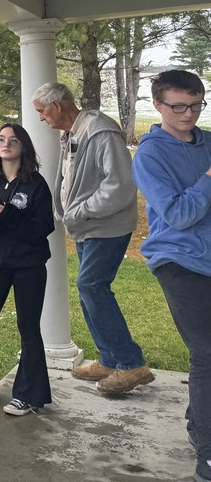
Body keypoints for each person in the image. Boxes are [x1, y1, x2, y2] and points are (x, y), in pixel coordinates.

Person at [31, 82, 153, 394]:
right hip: (88, 226)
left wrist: (80, 211)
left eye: (42, 111)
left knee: (92, 286)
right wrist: (67, 211)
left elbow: (121, 185)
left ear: (57, 106)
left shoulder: (100, 132)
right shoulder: (74, 132)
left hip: (106, 225)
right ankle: (111, 358)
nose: (41, 118)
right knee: (89, 288)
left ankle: (131, 363)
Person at [131, 69, 211, 482]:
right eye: (178, 106)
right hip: (177, 260)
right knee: (207, 354)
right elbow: (178, 215)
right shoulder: (149, 155)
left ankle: (199, 427)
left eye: (196, 104)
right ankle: (208, 457)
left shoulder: (207, 142)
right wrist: (210, 180)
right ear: (158, 105)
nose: (189, 113)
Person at [0, 124, 54, 416]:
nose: (6, 144)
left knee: (28, 329)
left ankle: (28, 395)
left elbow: (43, 228)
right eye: (1, 140)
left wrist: (9, 215)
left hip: (29, 266)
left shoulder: (36, 185)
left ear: (23, 146)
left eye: (13, 140)